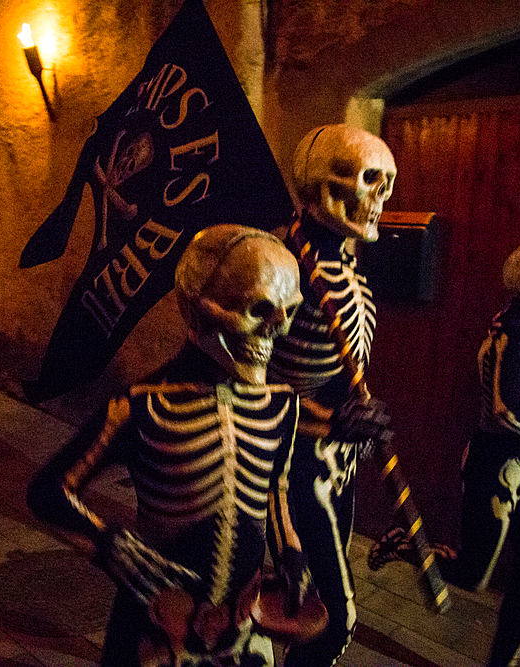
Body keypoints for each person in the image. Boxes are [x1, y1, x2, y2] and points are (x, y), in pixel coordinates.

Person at [27, 225, 312, 666]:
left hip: (241, 624)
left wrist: (290, 550)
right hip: (159, 623)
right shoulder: (140, 406)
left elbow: (275, 490)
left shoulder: (282, 404)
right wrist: (111, 545)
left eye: (287, 313)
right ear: (199, 312)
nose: (275, 331)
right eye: (259, 311)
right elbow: (49, 492)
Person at [369, 239, 520, 667]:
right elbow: (505, 415)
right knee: (473, 575)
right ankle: (409, 546)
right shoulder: (512, 335)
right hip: (495, 467)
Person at [266, 124, 396, 666]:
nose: (378, 200)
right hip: (287, 464)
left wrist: (358, 422)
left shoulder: (352, 276)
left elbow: (348, 377)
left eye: (386, 185)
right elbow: (247, 383)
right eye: (369, 181)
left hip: (337, 466)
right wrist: (331, 420)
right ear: (324, 184)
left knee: (314, 606)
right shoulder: (278, 267)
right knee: (333, 617)